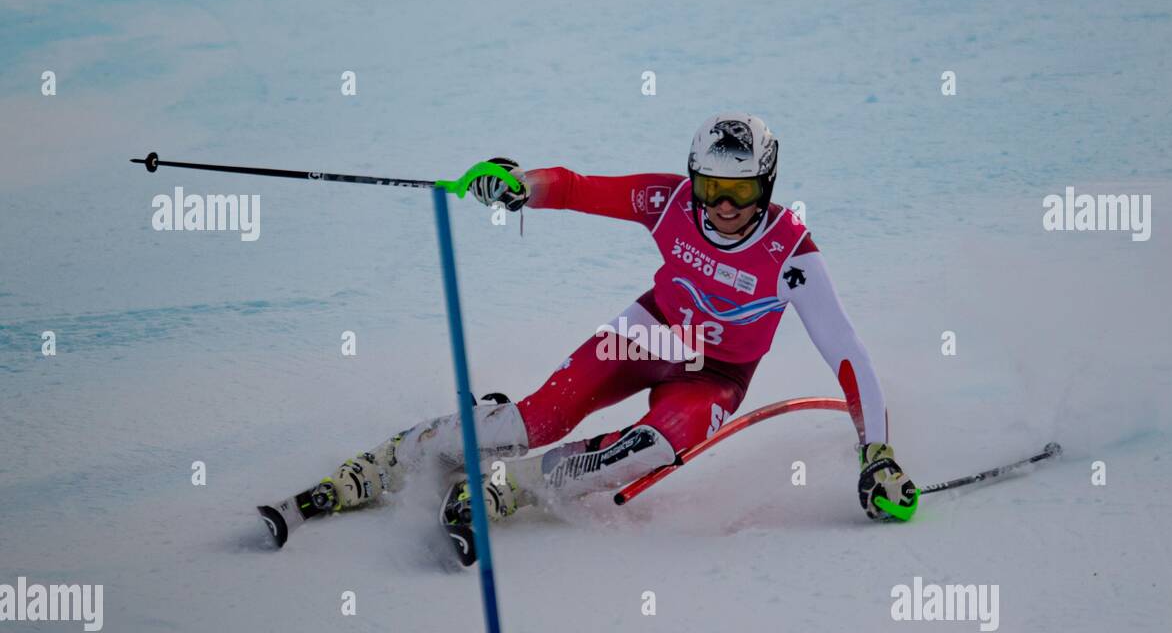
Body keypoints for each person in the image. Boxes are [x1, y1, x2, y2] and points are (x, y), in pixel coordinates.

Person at [264, 113, 916, 562]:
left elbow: (847, 352)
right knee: (536, 416)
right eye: (711, 187)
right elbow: (576, 189)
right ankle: (389, 458)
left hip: (716, 376)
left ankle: (503, 486)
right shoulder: (666, 203)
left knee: (649, 448)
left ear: (765, 185)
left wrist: (877, 452)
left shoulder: (791, 253)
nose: (722, 205)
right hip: (650, 333)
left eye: (739, 190)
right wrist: (518, 186)